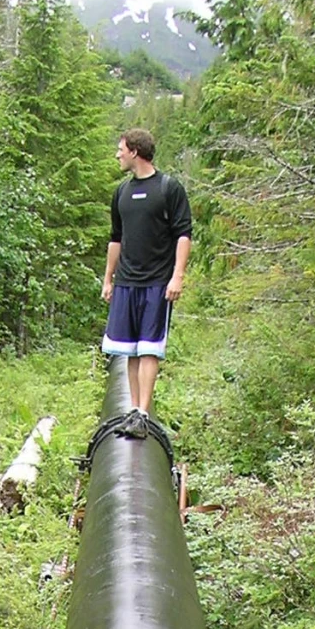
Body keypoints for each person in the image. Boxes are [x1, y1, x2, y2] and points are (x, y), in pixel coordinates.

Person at [101, 129, 192, 420]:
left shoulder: (169, 188)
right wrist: (108, 278)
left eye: (121, 149)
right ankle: (133, 410)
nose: (118, 154)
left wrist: (177, 276)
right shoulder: (122, 193)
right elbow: (116, 239)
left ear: (135, 152)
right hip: (127, 282)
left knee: (149, 349)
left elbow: (183, 235)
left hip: (157, 282)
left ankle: (143, 411)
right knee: (128, 350)